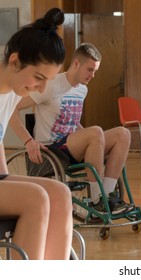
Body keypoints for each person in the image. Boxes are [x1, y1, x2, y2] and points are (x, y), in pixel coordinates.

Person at [9, 43, 132, 214]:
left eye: (95, 71)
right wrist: (28, 141)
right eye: (89, 70)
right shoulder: (51, 85)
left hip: (71, 146)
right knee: (95, 131)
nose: (93, 75)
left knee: (123, 134)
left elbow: (72, 122)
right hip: (51, 150)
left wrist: (93, 138)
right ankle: (97, 200)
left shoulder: (82, 90)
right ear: (75, 64)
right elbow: (11, 109)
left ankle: (108, 195)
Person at [0, 7, 73, 260]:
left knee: (60, 193)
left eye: (47, 82)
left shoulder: (10, 93)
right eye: (38, 78)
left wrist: (6, 179)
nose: (40, 88)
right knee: (36, 198)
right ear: (14, 61)